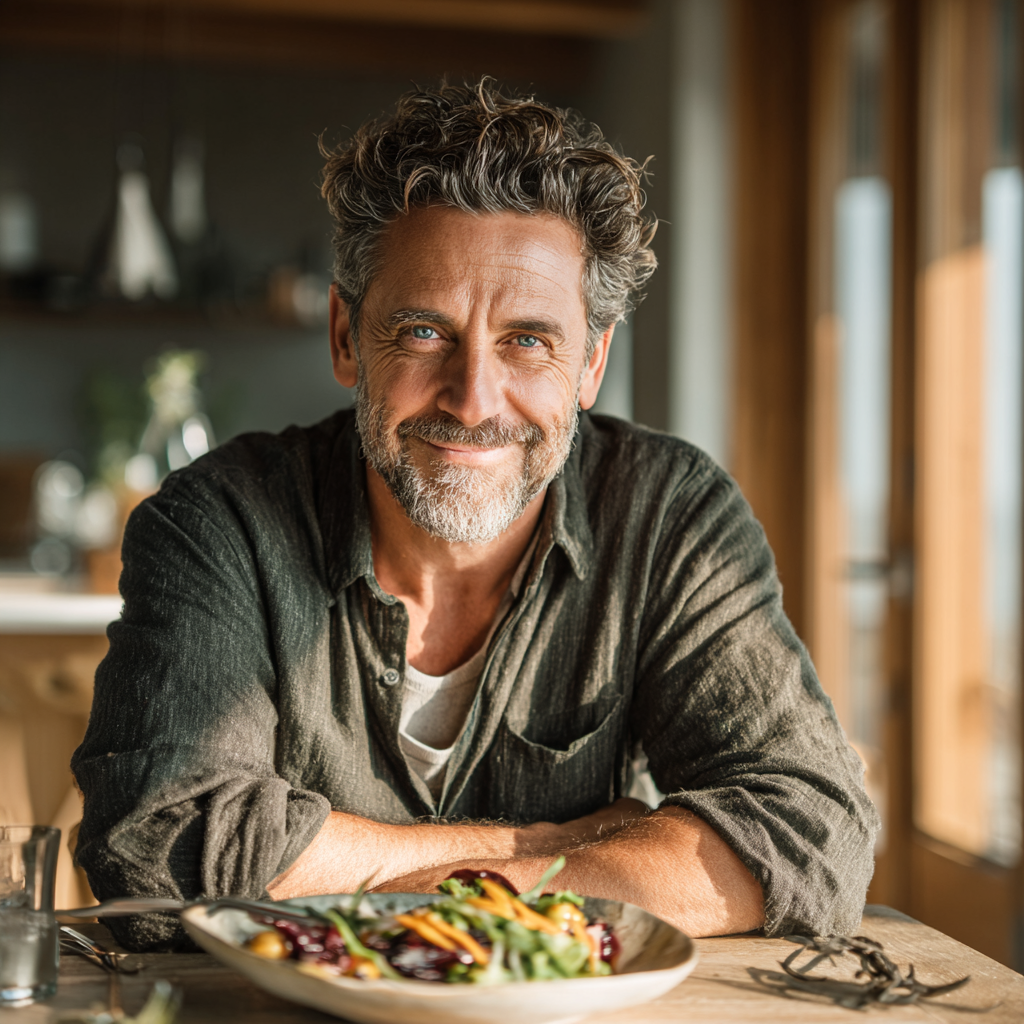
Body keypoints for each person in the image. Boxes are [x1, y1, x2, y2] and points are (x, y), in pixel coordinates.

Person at [73, 80, 878, 952]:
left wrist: (426, 876)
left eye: (528, 340)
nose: (472, 399)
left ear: (590, 365)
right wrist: (555, 845)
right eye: (424, 332)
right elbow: (155, 848)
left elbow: (809, 830)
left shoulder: (668, 517)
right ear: (347, 336)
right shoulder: (217, 521)